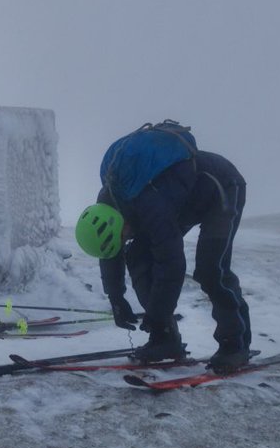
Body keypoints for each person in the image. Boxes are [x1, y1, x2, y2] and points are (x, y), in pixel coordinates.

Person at [75, 121, 252, 372]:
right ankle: (165, 339)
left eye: (123, 236)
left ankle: (235, 344)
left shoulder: (150, 207)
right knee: (138, 255)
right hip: (180, 199)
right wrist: (116, 298)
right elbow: (111, 251)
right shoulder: (107, 203)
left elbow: (172, 264)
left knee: (211, 269)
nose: (126, 239)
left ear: (118, 222)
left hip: (221, 188)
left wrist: (157, 313)